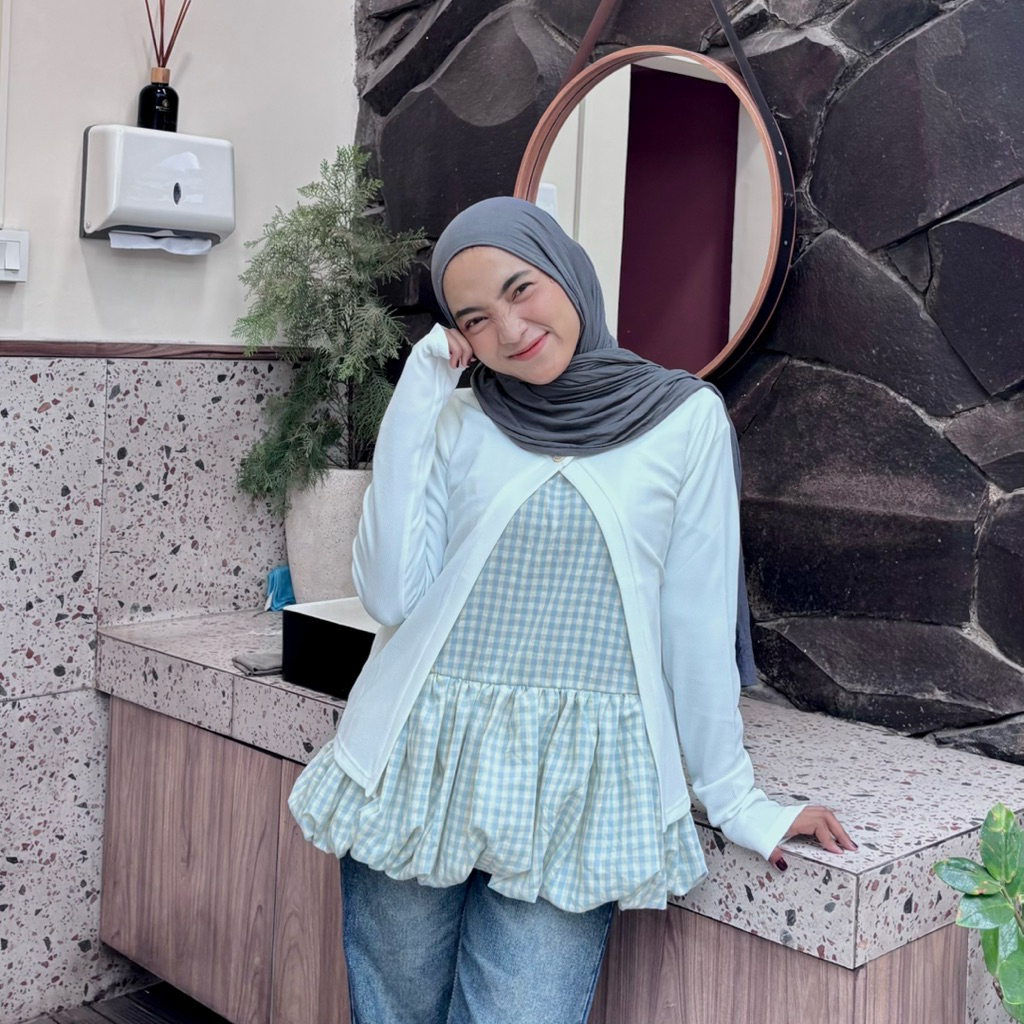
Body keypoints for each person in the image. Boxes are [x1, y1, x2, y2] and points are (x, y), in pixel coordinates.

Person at [288, 196, 855, 1024]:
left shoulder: (683, 420)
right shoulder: (459, 416)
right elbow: (389, 593)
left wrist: (738, 803)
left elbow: (695, 632)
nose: (510, 330)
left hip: (577, 791)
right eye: (475, 319)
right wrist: (417, 393)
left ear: (567, 272)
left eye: (521, 289)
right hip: (421, 764)